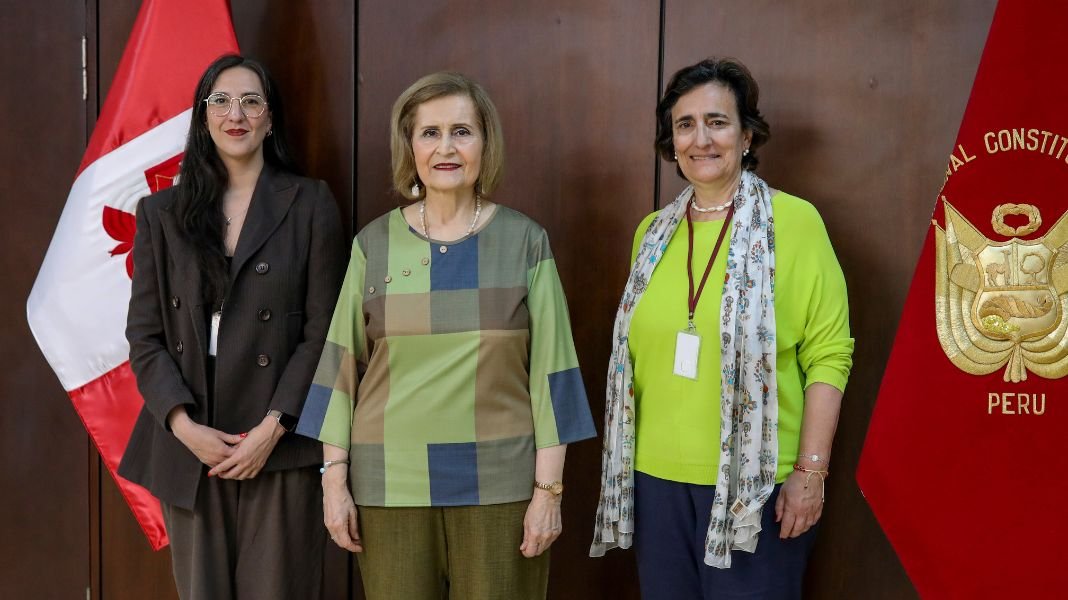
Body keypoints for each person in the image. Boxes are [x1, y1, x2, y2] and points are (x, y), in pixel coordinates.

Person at [295, 71, 596, 600]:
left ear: (485, 142)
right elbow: (340, 371)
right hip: (389, 485)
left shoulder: (525, 242)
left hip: (501, 485)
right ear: (409, 146)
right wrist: (333, 482)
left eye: (462, 131)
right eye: (429, 133)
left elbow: (554, 376)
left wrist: (549, 492)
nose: (446, 148)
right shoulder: (373, 245)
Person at [591, 57, 854, 599]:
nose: (701, 139)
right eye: (685, 125)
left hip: (754, 487)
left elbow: (829, 354)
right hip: (654, 483)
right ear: (672, 141)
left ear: (747, 134)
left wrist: (810, 472)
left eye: (717, 122)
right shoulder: (652, 234)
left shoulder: (794, 223)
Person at [118, 54, 347, 600]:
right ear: (203, 117)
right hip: (193, 442)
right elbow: (145, 338)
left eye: (251, 101)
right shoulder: (161, 213)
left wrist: (274, 427)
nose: (235, 114)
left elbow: (326, 332)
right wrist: (182, 425)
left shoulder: (310, 202)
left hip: (279, 440)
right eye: (219, 100)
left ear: (270, 118)